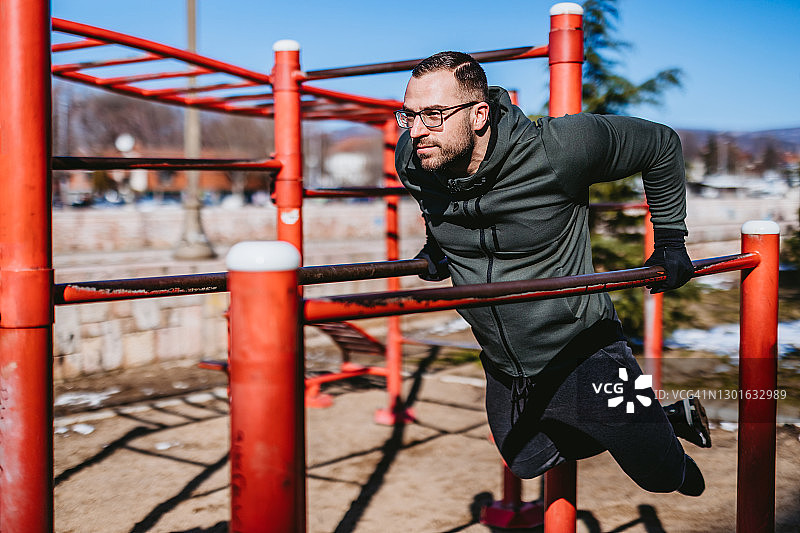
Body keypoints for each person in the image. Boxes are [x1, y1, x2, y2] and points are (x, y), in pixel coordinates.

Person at [394, 51, 711, 496]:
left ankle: (663, 427)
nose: (417, 129)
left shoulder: (556, 149)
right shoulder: (414, 156)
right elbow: (433, 204)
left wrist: (672, 240)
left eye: (433, 114)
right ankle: (662, 418)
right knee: (527, 461)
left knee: (664, 478)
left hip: (583, 349)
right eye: (408, 114)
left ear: (480, 114)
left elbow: (660, 144)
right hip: (503, 360)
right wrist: (436, 244)